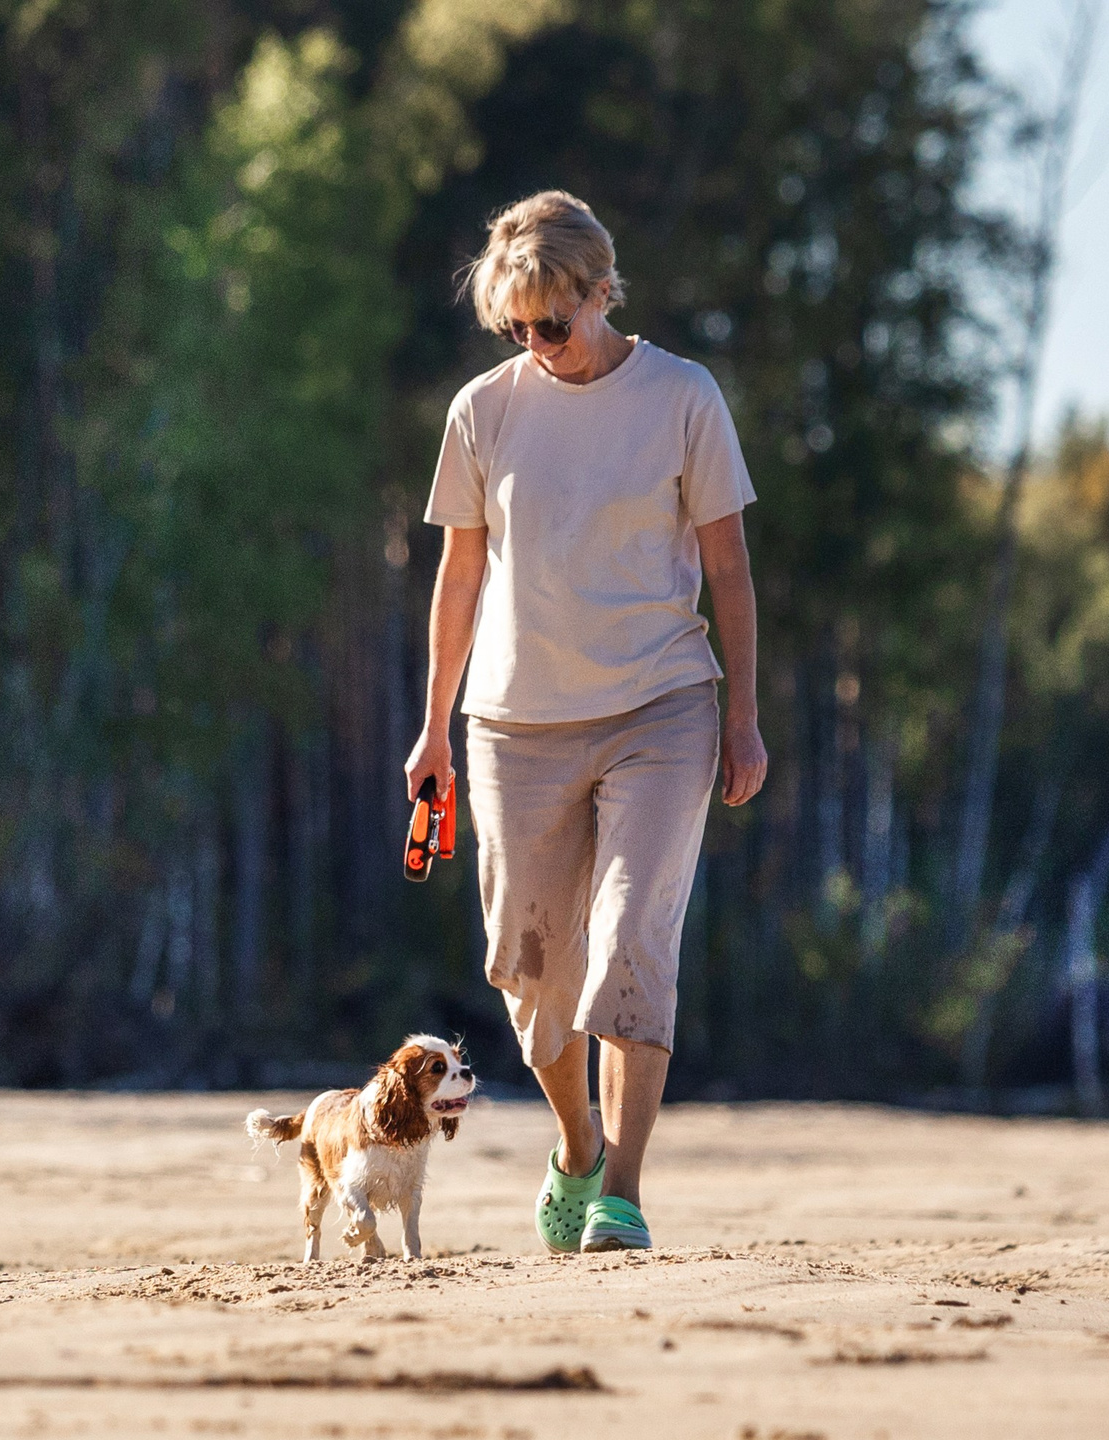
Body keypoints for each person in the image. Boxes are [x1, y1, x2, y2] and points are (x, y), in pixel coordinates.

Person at [405, 189, 767, 1253]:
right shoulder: (484, 409)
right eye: (515, 327)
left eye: (551, 324)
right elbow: (459, 575)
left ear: (601, 292)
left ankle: (623, 1188)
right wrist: (433, 728)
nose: (535, 345)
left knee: (629, 947)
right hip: (513, 723)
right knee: (527, 964)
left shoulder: (683, 396)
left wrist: (742, 716)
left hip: (660, 707)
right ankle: (572, 1144)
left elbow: (730, 569)